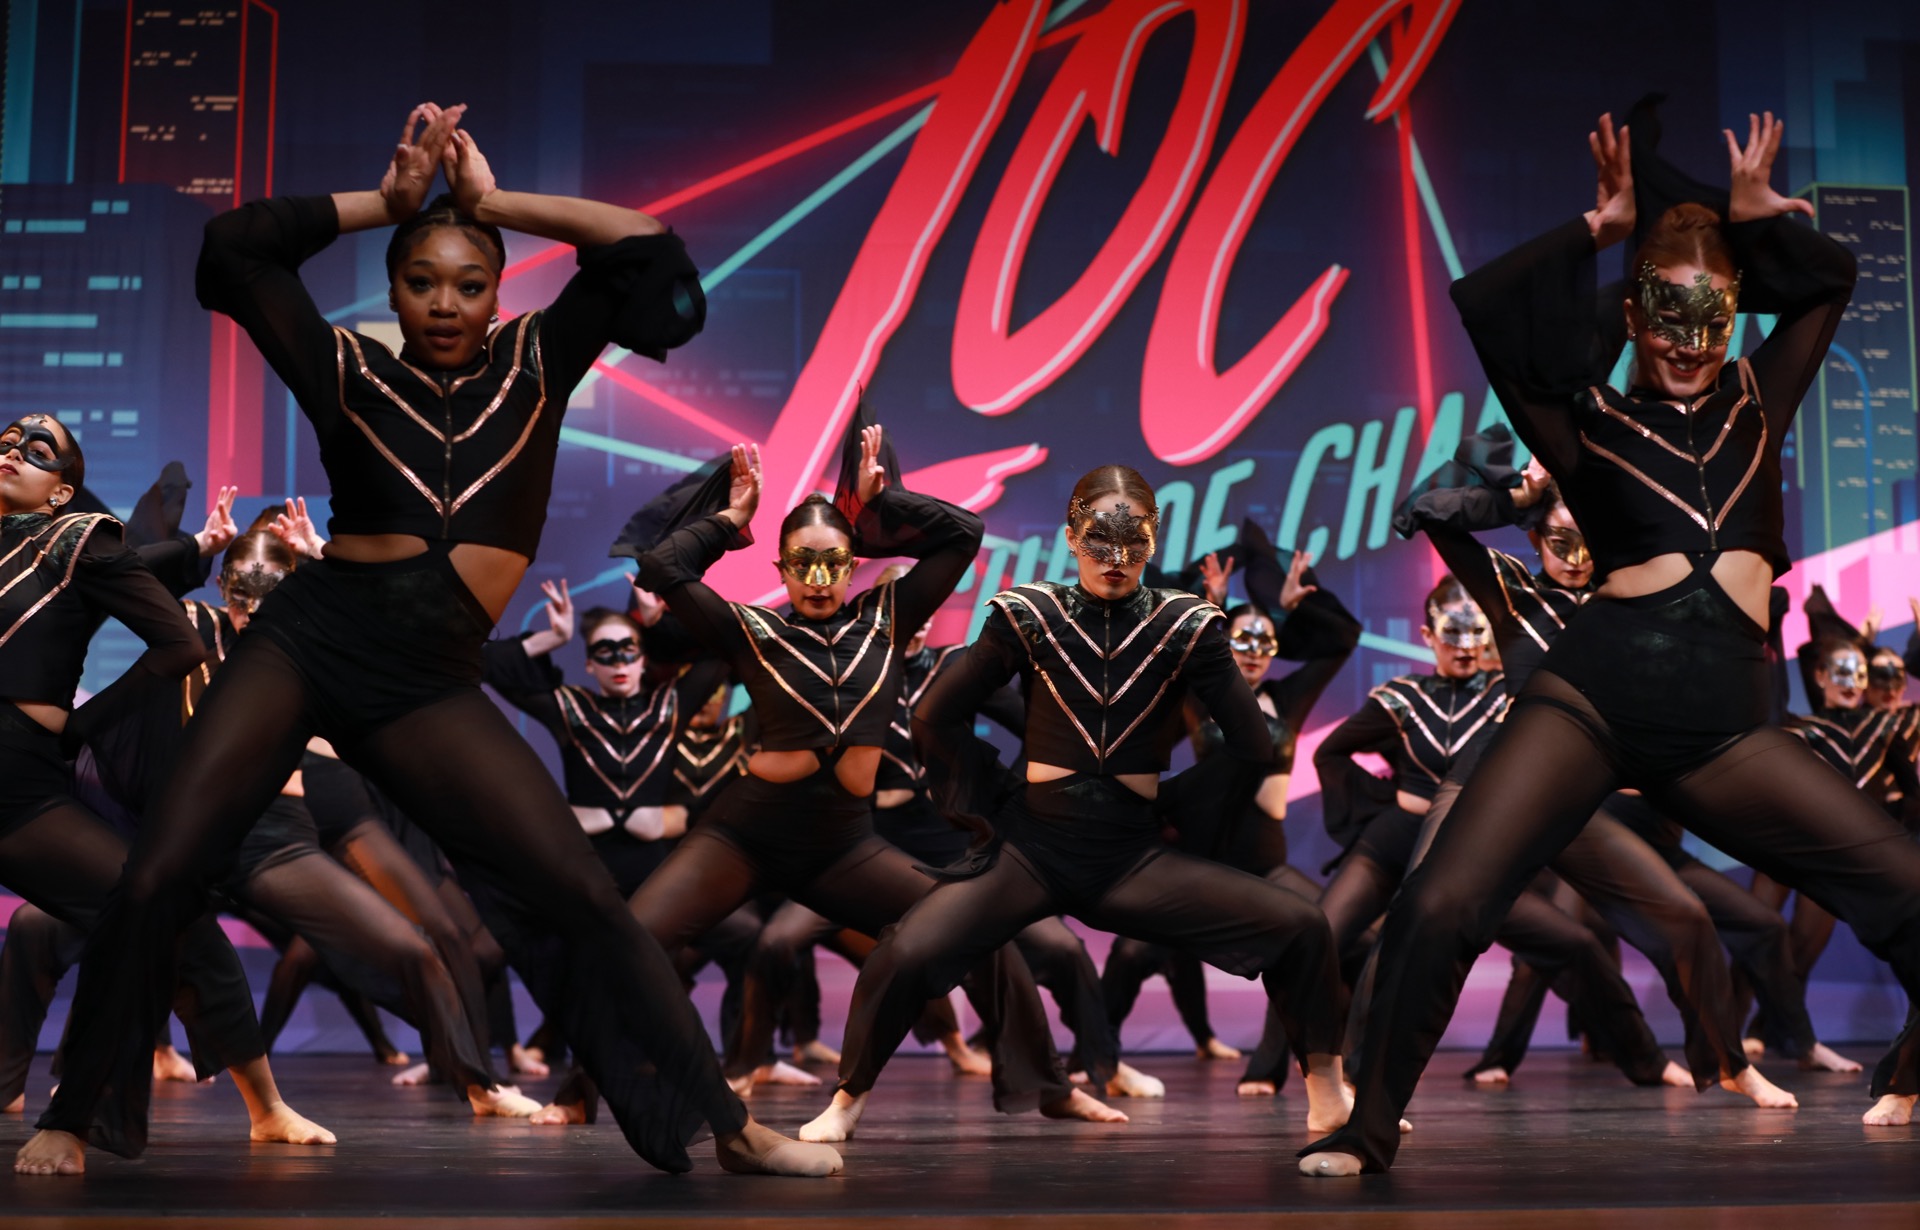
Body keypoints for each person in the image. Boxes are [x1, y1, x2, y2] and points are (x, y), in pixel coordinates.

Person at [19, 102, 839, 1178]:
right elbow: (233, 250)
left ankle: (730, 1128)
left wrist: (493, 202)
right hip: (311, 642)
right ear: (394, 290)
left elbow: (651, 253)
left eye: (470, 282)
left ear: (500, 291)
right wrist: (386, 201)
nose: (445, 303)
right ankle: (72, 1115)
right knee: (161, 867)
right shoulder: (346, 368)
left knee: (580, 894)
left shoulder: (542, 359)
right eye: (420, 281)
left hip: (429, 680)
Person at [1300, 110, 1920, 1178]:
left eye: (1710, 317)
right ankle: (1368, 1124)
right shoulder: (1581, 421)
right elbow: (1491, 309)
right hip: (1591, 703)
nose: (1688, 342)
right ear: (1633, 316)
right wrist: (1603, 228)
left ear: (1733, 315)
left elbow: (1828, 282)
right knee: (1443, 899)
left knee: (1905, 884)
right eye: (1665, 316)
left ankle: (1908, 1061)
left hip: (1726, 730)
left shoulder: (1760, 398)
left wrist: (1755, 219)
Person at [806, 464, 1352, 1144]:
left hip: (1130, 856)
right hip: (1032, 850)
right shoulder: (1029, 615)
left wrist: (1173, 807)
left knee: (1303, 926)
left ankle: (1328, 1091)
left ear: (1153, 541)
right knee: (909, 949)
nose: (1115, 559)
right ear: (1070, 536)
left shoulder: (1186, 625)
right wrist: (998, 800)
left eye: (1133, 542)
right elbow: (936, 715)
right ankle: (847, 1099)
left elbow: (1251, 744)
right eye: (1099, 540)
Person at [629, 425, 1117, 1125]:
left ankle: (1051, 1087)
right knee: (632, 940)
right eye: (803, 564)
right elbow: (663, 565)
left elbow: (963, 533)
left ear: (853, 564)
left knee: (979, 931)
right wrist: (732, 519)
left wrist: (878, 507)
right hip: (745, 835)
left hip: (842, 844)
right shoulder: (751, 631)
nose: (818, 580)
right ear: (782, 568)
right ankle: (583, 1088)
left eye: (833, 562)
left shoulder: (888, 617)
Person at [0, 419, 335, 1174]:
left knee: (163, 911)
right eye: (5, 440)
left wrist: (80, 726)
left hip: (18, 783)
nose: (12, 449)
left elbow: (166, 623)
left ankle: (247, 1108)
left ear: (61, 491)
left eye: (37, 449)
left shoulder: (76, 541)